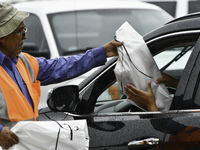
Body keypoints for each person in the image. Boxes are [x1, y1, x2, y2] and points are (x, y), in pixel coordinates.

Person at [0, 2, 123, 149]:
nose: (25, 36)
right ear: (3, 36)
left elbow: (60, 66)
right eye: (20, 31)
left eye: (24, 29)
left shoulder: (24, 62)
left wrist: (102, 53)